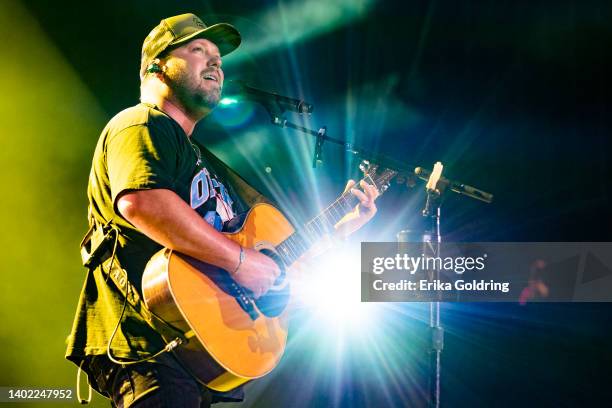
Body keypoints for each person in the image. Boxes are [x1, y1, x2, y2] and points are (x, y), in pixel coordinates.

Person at [65, 13, 379, 407]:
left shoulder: (205, 163)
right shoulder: (141, 123)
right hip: (150, 342)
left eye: (219, 57)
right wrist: (241, 261)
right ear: (156, 67)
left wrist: (338, 230)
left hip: (195, 350)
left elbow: (273, 258)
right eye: (198, 50)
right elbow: (141, 202)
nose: (215, 62)